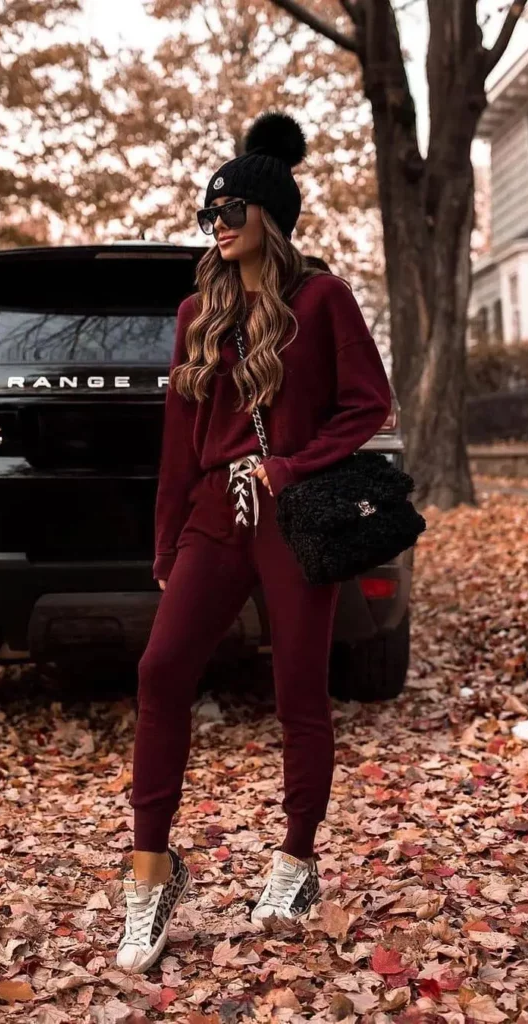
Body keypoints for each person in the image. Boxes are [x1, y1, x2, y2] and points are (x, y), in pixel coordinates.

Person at [116, 111, 393, 972]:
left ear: (269, 216)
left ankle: (296, 860)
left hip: (294, 510)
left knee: (297, 689)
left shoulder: (322, 298)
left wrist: (295, 467)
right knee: (160, 670)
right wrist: (166, 545)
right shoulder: (197, 311)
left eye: (231, 210)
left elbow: (368, 404)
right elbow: (175, 442)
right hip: (212, 511)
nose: (217, 225)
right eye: (209, 215)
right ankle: (151, 874)